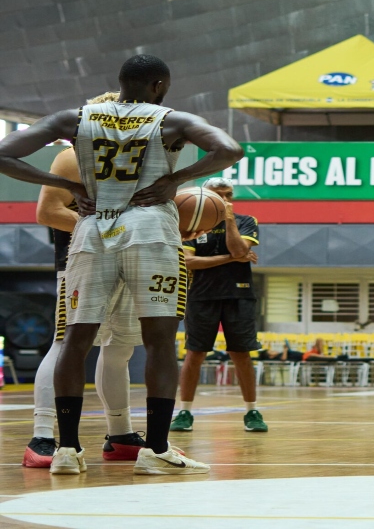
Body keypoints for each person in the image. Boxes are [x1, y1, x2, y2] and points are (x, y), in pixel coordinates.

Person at [0, 54, 243, 475]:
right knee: (158, 341)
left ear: (121, 81)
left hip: (93, 230)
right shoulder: (171, 119)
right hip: (150, 230)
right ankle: (156, 449)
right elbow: (229, 149)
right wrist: (174, 179)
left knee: (74, 340)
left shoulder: (75, 119)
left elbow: (4, 154)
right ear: (159, 86)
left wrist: (66, 185)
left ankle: (67, 450)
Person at [24, 93, 194, 467]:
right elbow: (47, 211)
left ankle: (120, 433)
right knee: (66, 343)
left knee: (120, 348)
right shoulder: (72, 155)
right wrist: (113, 231)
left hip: (132, 258)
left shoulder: (145, 155)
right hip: (83, 259)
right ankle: (43, 436)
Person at [171, 177, 267, 434]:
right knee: (195, 354)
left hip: (239, 295)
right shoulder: (192, 225)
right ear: (206, 195)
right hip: (201, 296)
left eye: (228, 194)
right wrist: (231, 258)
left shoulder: (246, 221)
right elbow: (188, 262)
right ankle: (185, 412)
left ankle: (252, 411)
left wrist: (229, 220)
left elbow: (240, 249)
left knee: (241, 354)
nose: (225, 199)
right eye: (218, 194)